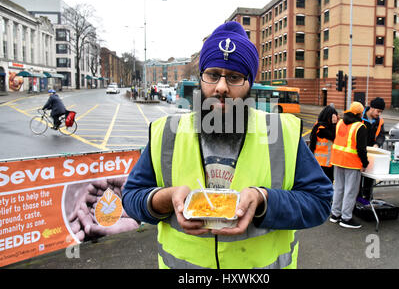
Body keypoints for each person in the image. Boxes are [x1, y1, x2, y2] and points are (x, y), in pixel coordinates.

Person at [122, 21, 333, 269]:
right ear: (201, 79)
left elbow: (320, 202)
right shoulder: (167, 133)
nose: (221, 87)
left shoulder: (282, 132)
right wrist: (165, 199)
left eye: (234, 77)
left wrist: (264, 200)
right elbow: (131, 197)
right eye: (212, 75)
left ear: (249, 84)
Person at [329, 101, 368, 229]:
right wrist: (365, 163)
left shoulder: (340, 123)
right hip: (352, 163)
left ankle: (335, 215)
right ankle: (346, 218)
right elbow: (361, 149)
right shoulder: (360, 127)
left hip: (338, 160)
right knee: (350, 191)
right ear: (360, 113)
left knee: (338, 188)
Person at [359, 97, 385, 200]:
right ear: (372, 108)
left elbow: (381, 135)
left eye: (381, 112)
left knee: (369, 180)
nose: (379, 114)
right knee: (357, 180)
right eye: (378, 111)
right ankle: (357, 201)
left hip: (371, 154)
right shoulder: (359, 116)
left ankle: (367, 200)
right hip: (359, 153)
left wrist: (377, 144)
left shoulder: (380, 121)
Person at [309, 104, 338, 182]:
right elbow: (334, 136)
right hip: (325, 164)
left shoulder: (318, 126)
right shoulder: (323, 129)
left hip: (317, 162)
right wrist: (334, 124)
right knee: (326, 185)